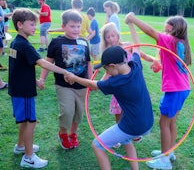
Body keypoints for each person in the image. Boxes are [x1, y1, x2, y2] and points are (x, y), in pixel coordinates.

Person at [64, 22, 154, 169]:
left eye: (106, 69)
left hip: (133, 126)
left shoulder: (115, 82)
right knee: (126, 140)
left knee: (98, 144)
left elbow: (93, 85)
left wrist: (74, 78)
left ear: (112, 66)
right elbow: (137, 47)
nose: (107, 73)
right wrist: (131, 25)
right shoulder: (135, 66)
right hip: (147, 122)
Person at [125, 12, 191, 170]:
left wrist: (132, 19)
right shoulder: (180, 42)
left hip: (175, 91)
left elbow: (151, 32)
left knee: (164, 123)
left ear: (174, 30)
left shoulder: (170, 40)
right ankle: (168, 152)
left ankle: (164, 160)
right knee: (172, 122)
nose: (164, 32)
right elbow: (173, 63)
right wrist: (160, 65)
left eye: (166, 30)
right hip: (183, 88)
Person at [9, 8, 71, 169]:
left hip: (18, 89)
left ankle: (21, 146)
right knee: (31, 121)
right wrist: (63, 70)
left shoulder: (16, 42)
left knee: (25, 121)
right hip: (24, 92)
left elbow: (19, 69)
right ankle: (29, 157)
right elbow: (42, 63)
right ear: (20, 25)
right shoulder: (24, 45)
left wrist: (36, 80)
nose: (35, 27)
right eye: (31, 24)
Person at [39, 9, 93, 149]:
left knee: (78, 113)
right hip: (64, 85)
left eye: (78, 26)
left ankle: (73, 134)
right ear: (63, 27)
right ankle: (63, 134)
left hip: (81, 85)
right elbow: (48, 61)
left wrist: (91, 81)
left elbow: (88, 63)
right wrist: (42, 79)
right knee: (67, 111)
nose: (76, 29)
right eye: (72, 26)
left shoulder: (83, 42)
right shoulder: (57, 42)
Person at [101, 22, 161, 126]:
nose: (111, 39)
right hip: (120, 86)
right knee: (119, 112)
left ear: (118, 35)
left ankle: (132, 132)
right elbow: (108, 73)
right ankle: (120, 133)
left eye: (113, 35)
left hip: (133, 84)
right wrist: (98, 83)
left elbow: (144, 56)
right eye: (108, 37)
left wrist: (155, 60)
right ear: (105, 39)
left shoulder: (128, 46)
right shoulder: (109, 54)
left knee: (131, 110)